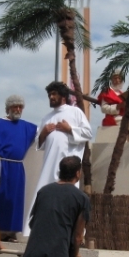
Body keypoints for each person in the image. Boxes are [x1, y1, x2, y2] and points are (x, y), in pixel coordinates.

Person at [24, 82, 92, 235]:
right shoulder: (47, 117)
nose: (51, 97)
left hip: (68, 166)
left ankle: (70, 233)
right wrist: (43, 134)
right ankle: (37, 231)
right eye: (49, 95)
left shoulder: (75, 112)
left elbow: (88, 133)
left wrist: (70, 129)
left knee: (68, 201)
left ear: (63, 96)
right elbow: (38, 144)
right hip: (49, 165)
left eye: (54, 94)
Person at [0, 95, 37, 239]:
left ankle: (10, 232)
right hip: (0, 167)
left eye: (20, 107)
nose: (18, 109)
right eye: (15, 106)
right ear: (8, 108)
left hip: (17, 168)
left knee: (15, 200)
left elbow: (41, 134)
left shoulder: (27, 127)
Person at [97, 71, 129, 144]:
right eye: (115, 78)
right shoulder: (107, 92)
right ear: (111, 80)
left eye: (119, 78)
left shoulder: (121, 93)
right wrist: (118, 106)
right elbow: (104, 108)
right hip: (114, 118)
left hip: (123, 117)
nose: (117, 80)